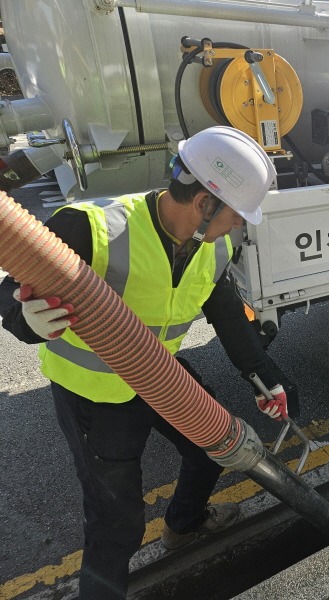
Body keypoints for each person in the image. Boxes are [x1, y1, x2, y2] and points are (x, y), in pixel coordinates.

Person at [0, 126, 289, 599]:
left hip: (161, 374)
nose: (239, 225)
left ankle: (185, 525)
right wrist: (26, 318)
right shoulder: (90, 228)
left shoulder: (214, 244)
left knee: (209, 447)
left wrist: (264, 377)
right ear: (204, 203)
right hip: (97, 395)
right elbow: (8, 289)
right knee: (118, 523)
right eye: (236, 214)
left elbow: (223, 307)